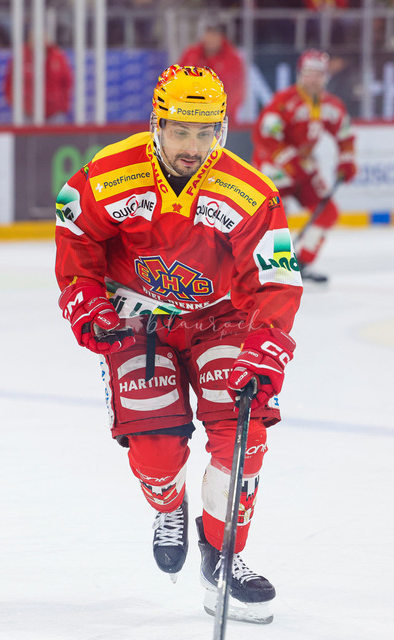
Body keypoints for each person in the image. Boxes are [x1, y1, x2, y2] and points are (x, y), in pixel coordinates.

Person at [55, 65, 302, 624]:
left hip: (222, 320)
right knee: (155, 452)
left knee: (242, 434)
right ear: (157, 125)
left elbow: (276, 279)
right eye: (181, 131)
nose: (193, 147)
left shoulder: (249, 192)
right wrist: (86, 301)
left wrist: (266, 345)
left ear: (221, 129)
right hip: (136, 321)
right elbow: (76, 235)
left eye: (205, 132)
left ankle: (222, 556)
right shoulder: (107, 176)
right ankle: (169, 504)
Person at [252, 49, 357, 283]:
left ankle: (302, 263)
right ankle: (274, 265)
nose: (313, 79)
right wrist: (289, 162)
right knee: (275, 216)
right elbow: (265, 136)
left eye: (319, 74)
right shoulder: (284, 101)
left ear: (326, 76)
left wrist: (346, 160)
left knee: (327, 211)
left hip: (304, 166)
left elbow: (345, 136)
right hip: (273, 168)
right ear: (300, 74)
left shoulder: (332, 105)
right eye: (309, 73)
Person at [179, 21, 246, 124]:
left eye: (214, 35)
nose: (210, 38)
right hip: (190, 114)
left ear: (221, 37)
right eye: (208, 34)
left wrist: (221, 111)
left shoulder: (233, 59)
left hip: (220, 116)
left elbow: (237, 91)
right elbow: (178, 80)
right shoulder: (191, 55)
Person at [4, 33, 73, 123]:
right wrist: (14, 103)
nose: (37, 42)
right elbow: (10, 81)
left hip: (54, 112)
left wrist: (63, 105)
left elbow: (67, 82)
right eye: (33, 39)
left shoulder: (58, 56)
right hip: (26, 112)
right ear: (29, 41)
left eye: (41, 39)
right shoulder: (20, 57)